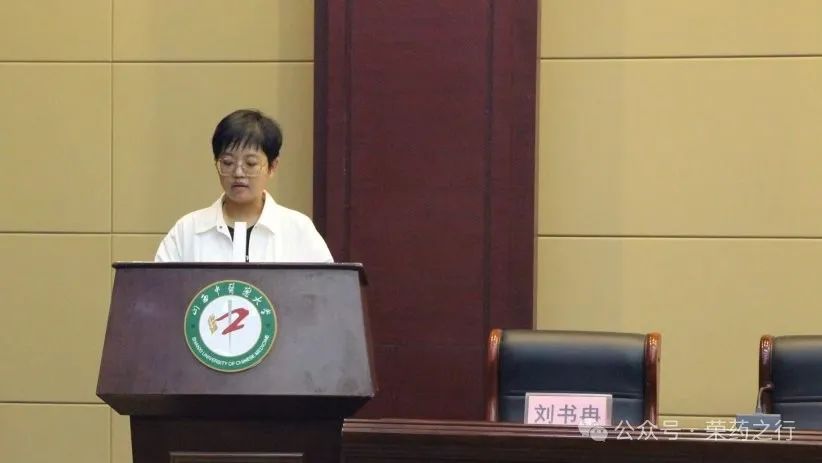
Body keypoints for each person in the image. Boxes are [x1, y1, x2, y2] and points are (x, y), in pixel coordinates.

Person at [155, 109, 333, 263]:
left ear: (272, 167)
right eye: (227, 162)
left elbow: (326, 286)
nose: (238, 173)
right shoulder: (187, 230)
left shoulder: (298, 230)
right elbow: (159, 287)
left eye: (250, 163)